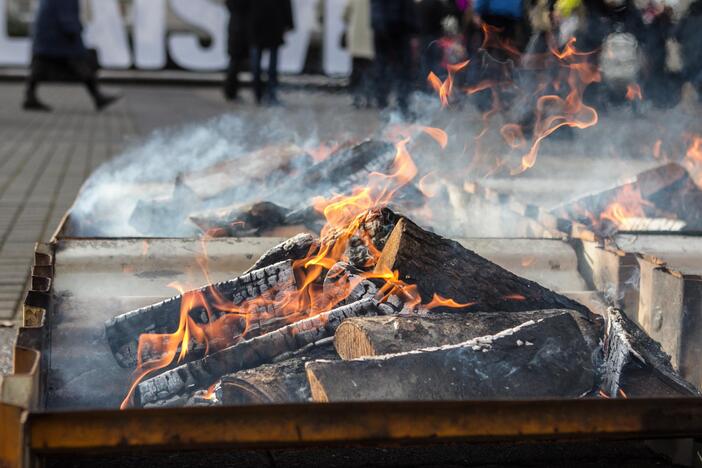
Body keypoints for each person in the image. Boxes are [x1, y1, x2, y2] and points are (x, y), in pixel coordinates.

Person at [23, 0, 120, 112]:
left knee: (39, 67)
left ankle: (30, 97)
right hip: (60, 37)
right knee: (80, 65)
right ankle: (98, 97)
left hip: (47, 34)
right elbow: (65, 12)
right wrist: (73, 29)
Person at [370, 0, 418, 114]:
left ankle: (387, 102)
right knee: (401, 71)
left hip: (387, 33)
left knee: (385, 69)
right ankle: (400, 104)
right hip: (397, 33)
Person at [247, 0, 295, 105]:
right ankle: (269, 94)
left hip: (258, 25)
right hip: (272, 25)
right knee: (270, 66)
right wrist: (289, 23)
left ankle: (258, 94)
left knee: (258, 65)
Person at [344, 0, 375, 108]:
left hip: (356, 38)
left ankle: (356, 97)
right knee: (370, 70)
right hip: (371, 37)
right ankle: (370, 97)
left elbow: (345, 15)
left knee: (356, 70)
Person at [224, 0, 250, 102]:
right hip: (240, 32)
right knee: (235, 64)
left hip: (235, 30)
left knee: (234, 63)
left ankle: (230, 91)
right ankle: (230, 91)